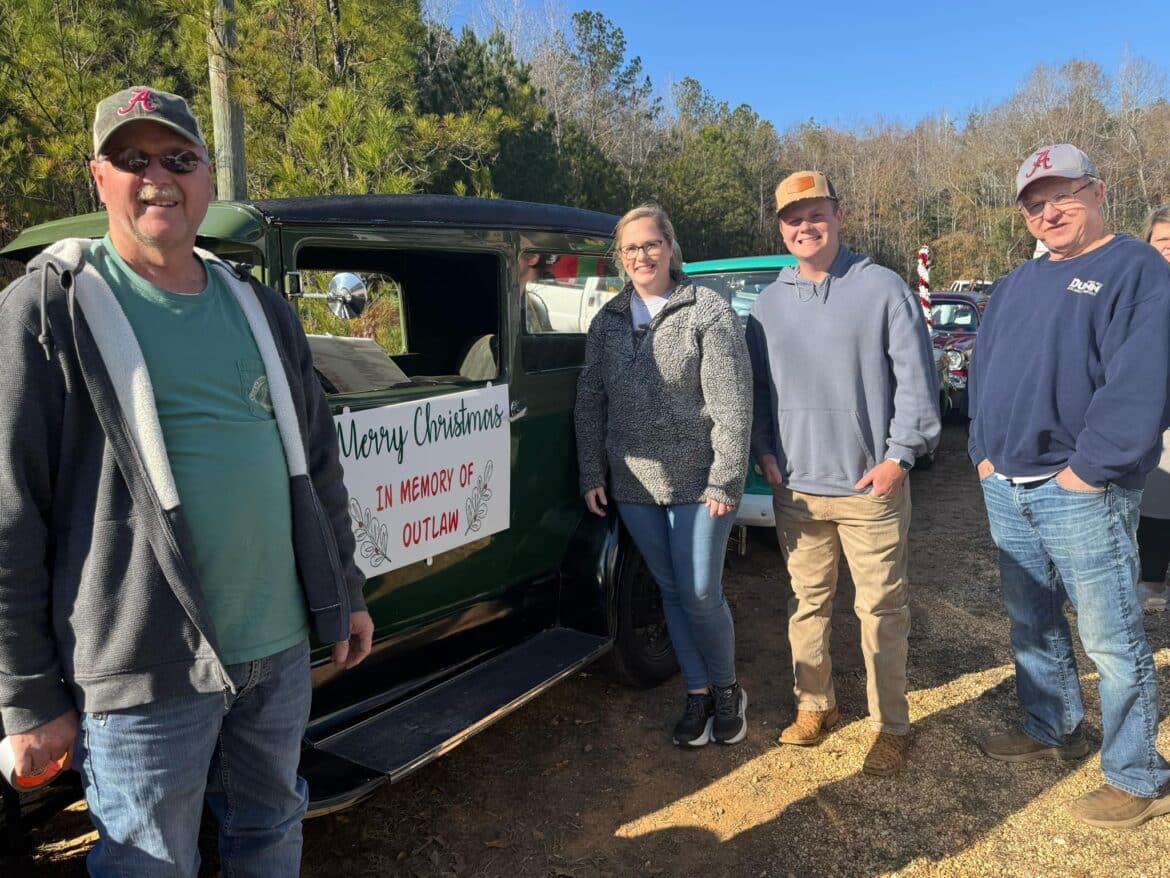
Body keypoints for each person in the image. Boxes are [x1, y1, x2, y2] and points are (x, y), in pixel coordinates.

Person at [0, 86, 374, 875]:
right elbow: (10, 514)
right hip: (142, 668)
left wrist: (345, 588)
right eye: (131, 159)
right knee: (149, 864)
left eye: (178, 159)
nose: (157, 178)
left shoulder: (259, 308)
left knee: (271, 831)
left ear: (207, 177)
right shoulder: (47, 310)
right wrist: (28, 694)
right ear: (98, 176)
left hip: (277, 652)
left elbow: (317, 462)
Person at [968, 144, 1170, 829]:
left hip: (1082, 488)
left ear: (1098, 192)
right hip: (1007, 484)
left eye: (1062, 195)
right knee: (1031, 620)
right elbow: (983, 370)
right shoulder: (1016, 283)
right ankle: (1051, 727)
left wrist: (1088, 470)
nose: (1048, 212)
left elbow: (1140, 384)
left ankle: (1137, 775)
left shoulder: (1136, 270)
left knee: (1111, 638)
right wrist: (982, 454)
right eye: (1034, 203)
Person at [747, 171, 940, 777]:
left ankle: (891, 725)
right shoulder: (767, 305)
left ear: (840, 215)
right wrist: (763, 449)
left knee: (881, 610)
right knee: (806, 604)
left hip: (868, 490)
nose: (805, 226)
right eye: (793, 218)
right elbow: (757, 389)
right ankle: (816, 705)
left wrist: (899, 457)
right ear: (781, 228)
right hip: (798, 491)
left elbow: (916, 381)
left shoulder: (883, 288)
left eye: (816, 213)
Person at [575, 204, 751, 747]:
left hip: (701, 483)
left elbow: (732, 404)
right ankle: (696, 693)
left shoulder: (707, 311)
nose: (642, 256)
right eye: (630, 248)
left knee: (700, 592)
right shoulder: (606, 322)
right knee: (671, 590)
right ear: (620, 257)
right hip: (634, 485)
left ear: (670, 247)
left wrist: (726, 478)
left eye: (651, 244)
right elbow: (590, 399)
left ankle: (728, 689)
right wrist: (591, 469)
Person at [1136, 205, 1170, 612]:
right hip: (1150, 415)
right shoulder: (1137, 292)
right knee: (1156, 500)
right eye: (1163, 241)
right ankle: (1152, 581)